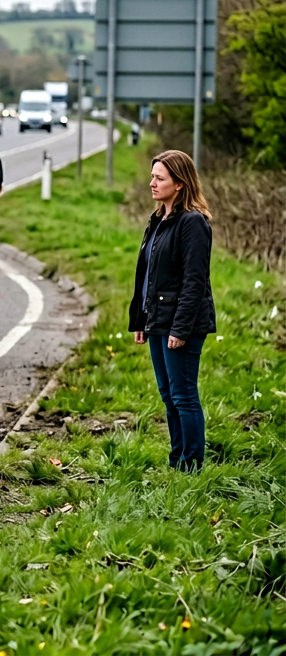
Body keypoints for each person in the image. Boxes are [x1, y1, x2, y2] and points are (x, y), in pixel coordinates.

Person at [129, 149, 216, 472]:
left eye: (159, 178)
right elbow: (147, 275)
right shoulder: (158, 220)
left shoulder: (192, 223)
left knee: (183, 396)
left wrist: (180, 330)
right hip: (157, 321)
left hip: (182, 324)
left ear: (179, 184)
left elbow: (194, 282)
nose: (151, 183)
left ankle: (191, 465)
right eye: (152, 176)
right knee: (168, 395)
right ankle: (177, 460)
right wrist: (140, 318)